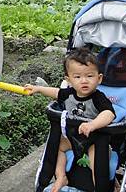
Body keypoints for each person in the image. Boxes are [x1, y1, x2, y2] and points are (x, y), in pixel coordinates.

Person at [24, 48, 115, 192]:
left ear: (99, 78)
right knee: (57, 148)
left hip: (93, 140)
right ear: (69, 80)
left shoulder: (98, 98)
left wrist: (92, 124)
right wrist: (38, 89)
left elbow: (109, 113)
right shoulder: (69, 94)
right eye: (77, 77)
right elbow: (56, 92)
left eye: (90, 76)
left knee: (96, 165)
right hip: (72, 138)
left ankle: (100, 187)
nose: (84, 81)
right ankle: (61, 177)